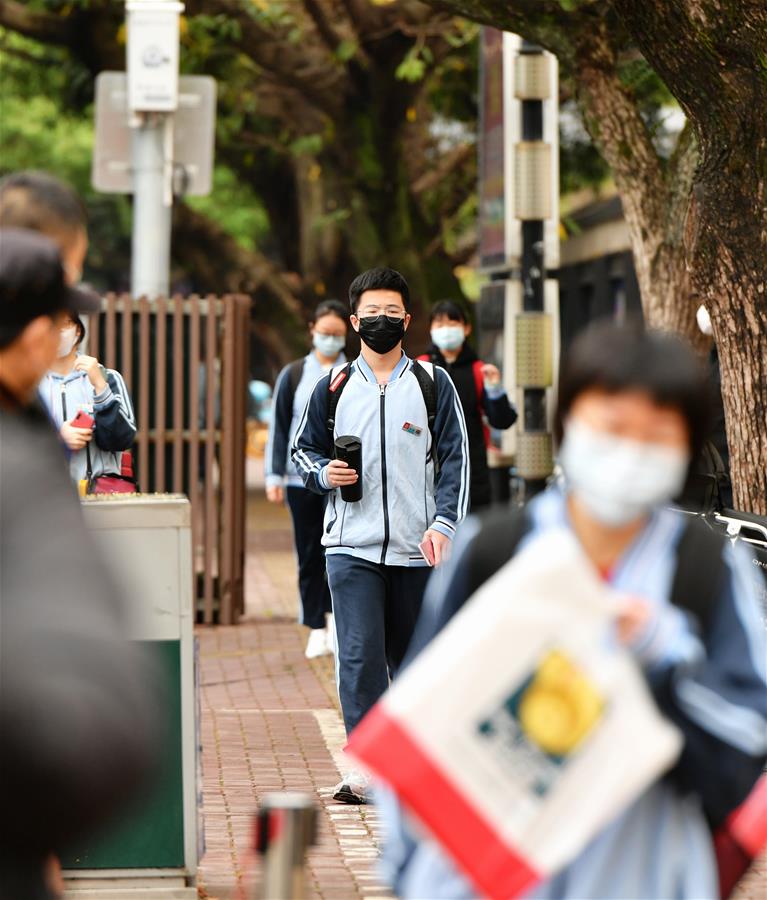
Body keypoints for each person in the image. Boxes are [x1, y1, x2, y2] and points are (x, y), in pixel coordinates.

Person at [380, 320, 767, 899]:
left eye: (656, 436)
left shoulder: (707, 568)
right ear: (569, 426)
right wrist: (408, 872)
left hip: (641, 875)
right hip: (479, 878)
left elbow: (749, 737)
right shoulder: (493, 550)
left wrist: (665, 655)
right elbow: (416, 715)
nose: (629, 452)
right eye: (611, 427)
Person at [0, 228, 159, 900]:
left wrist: (99, 392)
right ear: (38, 333)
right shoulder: (19, 460)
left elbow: (123, 439)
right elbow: (94, 737)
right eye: (60, 321)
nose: (67, 334)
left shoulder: (103, 379)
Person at [292, 266, 469, 804]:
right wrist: (325, 475)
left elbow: (457, 462)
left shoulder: (433, 384)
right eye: (371, 314)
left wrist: (443, 523)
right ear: (353, 322)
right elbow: (302, 452)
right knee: (360, 658)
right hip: (350, 547)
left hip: (418, 550)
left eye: (392, 313)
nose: (382, 321)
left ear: (408, 320)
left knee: (415, 664)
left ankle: (414, 769)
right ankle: (365, 768)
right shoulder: (333, 386)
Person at [265, 299, 349, 658]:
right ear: (312, 330)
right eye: (325, 332)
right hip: (300, 480)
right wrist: (274, 474)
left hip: (345, 478)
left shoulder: (356, 372)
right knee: (309, 552)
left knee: (341, 552)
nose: (331, 339)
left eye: (337, 334)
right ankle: (315, 624)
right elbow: (279, 427)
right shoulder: (295, 374)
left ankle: (337, 622)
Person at [419, 300, 517, 510]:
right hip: (426, 469)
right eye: (439, 324)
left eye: (452, 324)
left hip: (472, 470)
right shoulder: (420, 368)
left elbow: (502, 420)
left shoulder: (479, 370)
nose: (446, 330)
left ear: (466, 328)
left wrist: (495, 389)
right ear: (431, 329)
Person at [39, 313, 136, 490]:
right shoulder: (28, 384)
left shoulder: (108, 378)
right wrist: (58, 439)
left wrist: (100, 386)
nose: (58, 331)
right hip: (46, 498)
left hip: (100, 496)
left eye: (65, 323)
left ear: (78, 329)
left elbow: (122, 439)